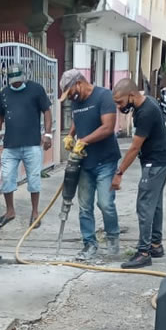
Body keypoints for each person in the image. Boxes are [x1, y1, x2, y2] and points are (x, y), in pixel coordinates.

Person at [58, 69, 121, 260]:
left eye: (69, 92)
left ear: (78, 83)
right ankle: (89, 244)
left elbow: (108, 127)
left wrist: (84, 140)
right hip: (85, 162)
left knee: (105, 203)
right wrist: (70, 135)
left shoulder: (104, 96)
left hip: (106, 160)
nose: (70, 97)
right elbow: (77, 119)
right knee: (85, 206)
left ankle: (112, 237)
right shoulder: (76, 101)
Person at [111, 78, 166, 269]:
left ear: (131, 95)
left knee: (144, 205)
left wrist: (119, 172)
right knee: (155, 204)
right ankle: (156, 245)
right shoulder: (147, 103)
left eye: (120, 102)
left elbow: (134, 147)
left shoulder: (146, 112)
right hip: (162, 159)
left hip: (155, 162)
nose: (119, 107)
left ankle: (144, 252)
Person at [0, 62, 53, 228]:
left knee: (34, 179)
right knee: (7, 178)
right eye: (13, 81)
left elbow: (47, 111)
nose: (16, 83)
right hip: (10, 146)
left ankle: (35, 212)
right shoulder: (4, 93)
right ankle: (10, 211)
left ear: (24, 76)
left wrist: (47, 134)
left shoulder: (36, 89)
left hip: (32, 145)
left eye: (18, 80)